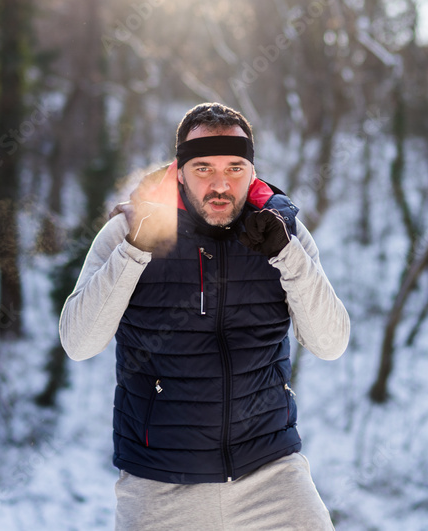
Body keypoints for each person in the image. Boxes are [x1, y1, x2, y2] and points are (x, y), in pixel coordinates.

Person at [60, 102, 350, 530]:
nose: (220, 184)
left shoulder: (281, 231)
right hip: (160, 484)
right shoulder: (128, 230)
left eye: (235, 167)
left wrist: (287, 254)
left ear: (252, 171)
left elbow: (330, 344)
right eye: (203, 169)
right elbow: (79, 343)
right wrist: (136, 249)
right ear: (179, 171)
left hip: (270, 474)